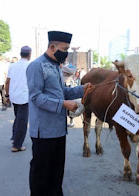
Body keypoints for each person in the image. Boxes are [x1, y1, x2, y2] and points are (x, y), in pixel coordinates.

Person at [26, 31, 93, 195]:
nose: (67, 52)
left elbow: (61, 92)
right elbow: (36, 97)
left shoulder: (56, 66)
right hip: (43, 131)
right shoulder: (36, 66)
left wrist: (82, 89)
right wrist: (63, 104)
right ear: (52, 47)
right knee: (41, 174)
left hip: (58, 129)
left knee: (57, 173)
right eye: (65, 48)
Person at [4, 46, 32, 152]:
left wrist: (7, 95)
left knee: (17, 117)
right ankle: (17, 145)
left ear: (20, 54)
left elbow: (7, 82)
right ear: (29, 54)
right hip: (24, 97)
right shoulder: (30, 65)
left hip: (14, 96)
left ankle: (14, 138)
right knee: (22, 121)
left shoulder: (12, 66)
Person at [61, 60, 77, 127]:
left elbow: (72, 71)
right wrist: (66, 72)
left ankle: (72, 120)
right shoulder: (57, 64)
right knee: (62, 104)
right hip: (61, 86)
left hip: (68, 85)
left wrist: (62, 68)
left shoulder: (70, 65)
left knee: (70, 105)